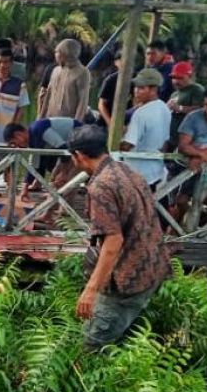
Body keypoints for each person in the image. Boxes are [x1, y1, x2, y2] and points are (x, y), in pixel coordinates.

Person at [68, 125, 170, 349]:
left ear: (79, 156)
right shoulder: (127, 171)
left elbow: (114, 241)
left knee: (88, 347)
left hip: (128, 279)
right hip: (152, 267)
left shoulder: (102, 186)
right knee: (122, 343)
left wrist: (90, 290)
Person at [121, 68, 172, 188]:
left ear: (153, 90)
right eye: (136, 87)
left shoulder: (141, 113)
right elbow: (166, 142)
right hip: (157, 171)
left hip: (137, 173)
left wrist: (112, 148)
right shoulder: (165, 108)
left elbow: (128, 145)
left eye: (141, 88)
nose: (136, 91)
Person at [40, 38, 90, 120]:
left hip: (68, 120)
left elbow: (83, 101)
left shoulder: (82, 72)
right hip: (50, 117)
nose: (55, 54)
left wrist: (76, 123)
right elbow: (48, 95)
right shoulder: (55, 70)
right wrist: (41, 116)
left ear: (65, 53)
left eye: (57, 52)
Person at [166, 61, 205, 135]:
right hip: (172, 135)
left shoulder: (196, 89)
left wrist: (180, 108)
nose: (176, 81)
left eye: (180, 78)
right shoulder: (174, 94)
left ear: (189, 76)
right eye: (173, 78)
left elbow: (201, 110)